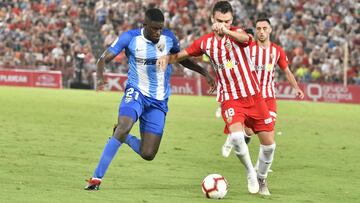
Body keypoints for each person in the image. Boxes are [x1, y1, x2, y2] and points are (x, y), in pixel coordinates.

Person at [85, 8, 215, 191]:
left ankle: (124, 138)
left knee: (148, 153)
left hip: (158, 101)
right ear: (144, 25)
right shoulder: (130, 38)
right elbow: (102, 59)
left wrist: (204, 73)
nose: (157, 32)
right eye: (154, 28)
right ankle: (96, 179)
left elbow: (182, 59)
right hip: (136, 92)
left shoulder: (169, 38)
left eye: (160, 29)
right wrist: (99, 78)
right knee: (124, 124)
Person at [157, 1, 275, 195]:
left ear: (232, 20)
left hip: (254, 96)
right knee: (237, 137)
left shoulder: (239, 35)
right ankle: (250, 173)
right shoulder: (206, 42)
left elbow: (246, 39)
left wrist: (227, 31)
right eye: (219, 20)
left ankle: (262, 177)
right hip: (230, 97)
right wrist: (166, 58)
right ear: (212, 19)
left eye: (227, 21)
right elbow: (182, 54)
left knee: (269, 145)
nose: (223, 24)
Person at [233, 15, 305, 171]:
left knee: (269, 136)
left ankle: (260, 168)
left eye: (265, 28)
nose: (261, 32)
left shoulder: (277, 51)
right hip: (250, 97)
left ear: (270, 30)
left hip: (268, 98)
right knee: (249, 131)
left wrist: (297, 88)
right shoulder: (248, 48)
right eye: (258, 28)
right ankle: (244, 139)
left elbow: (287, 71)